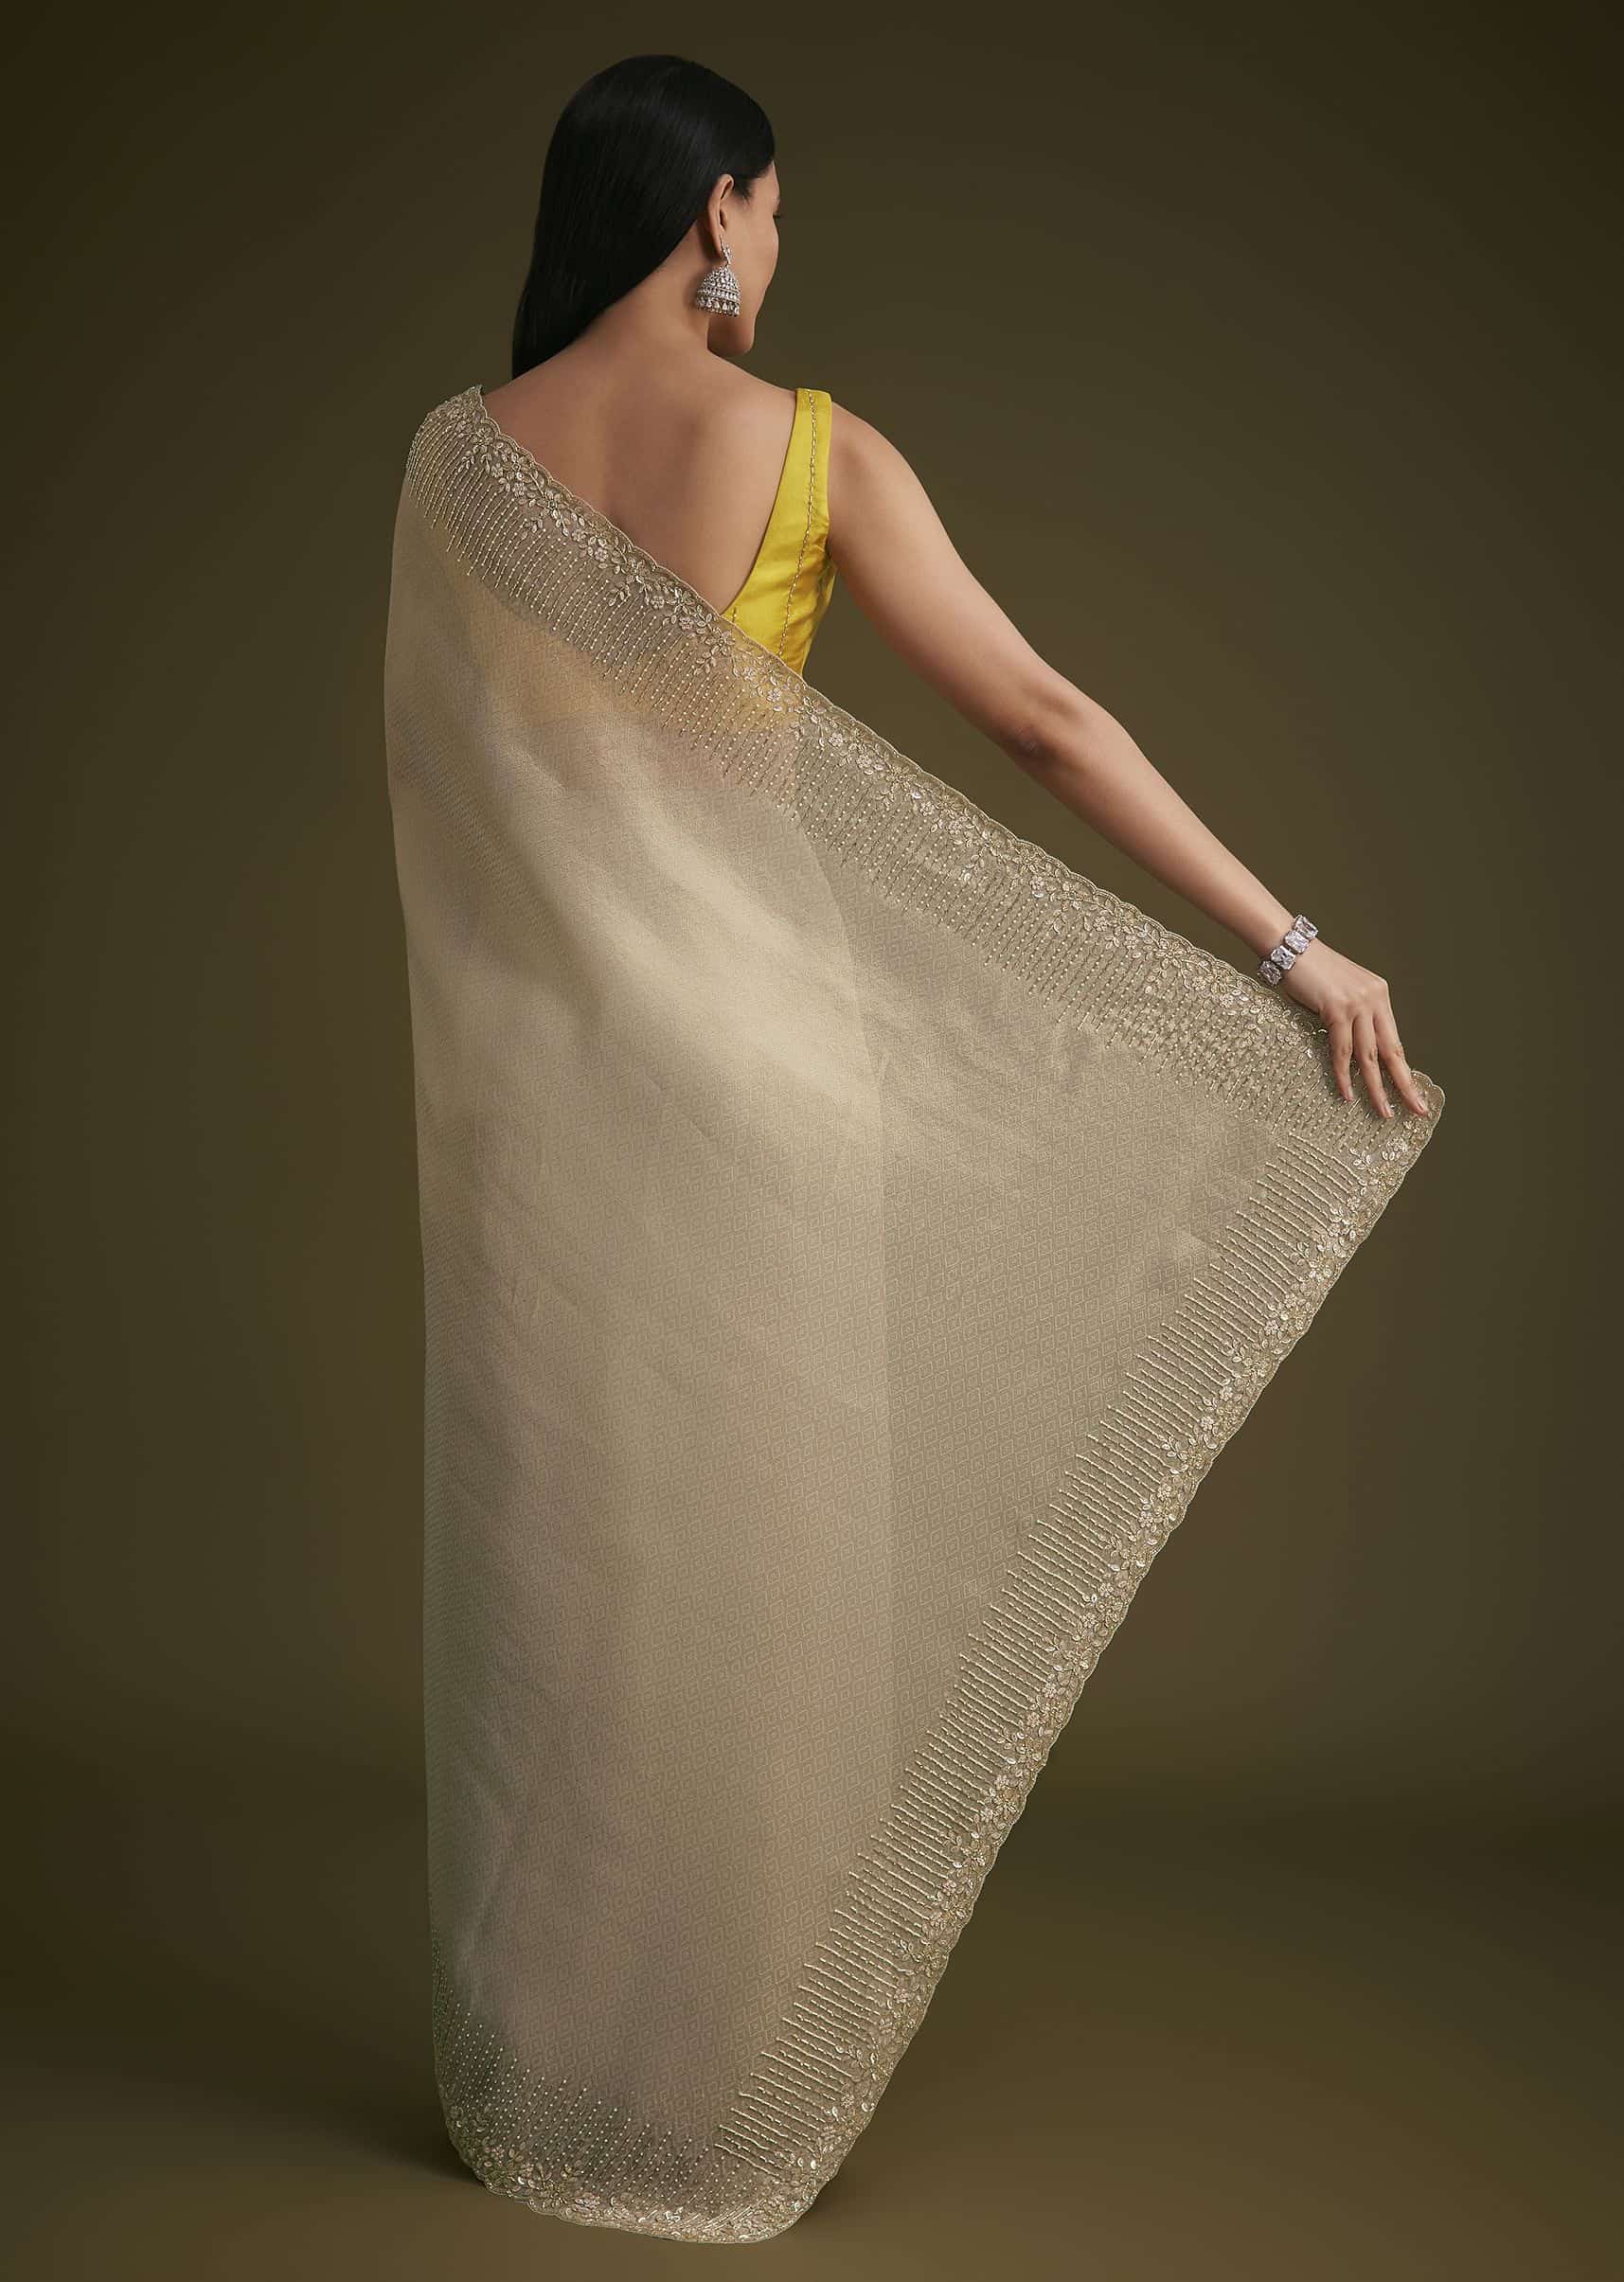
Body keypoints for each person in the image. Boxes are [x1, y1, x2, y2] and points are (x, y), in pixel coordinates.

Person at [384, 52, 1444, 2246]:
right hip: (774, 1083)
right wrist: (1293, 947)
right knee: (768, 1574)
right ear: (718, 209)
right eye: (775, 214)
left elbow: (477, 819)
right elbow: (1043, 716)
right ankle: (710, 2081)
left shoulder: (460, 466)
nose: (778, 252)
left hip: (555, 1117)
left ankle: (563, 2068)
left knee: (584, 1570)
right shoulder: (810, 451)